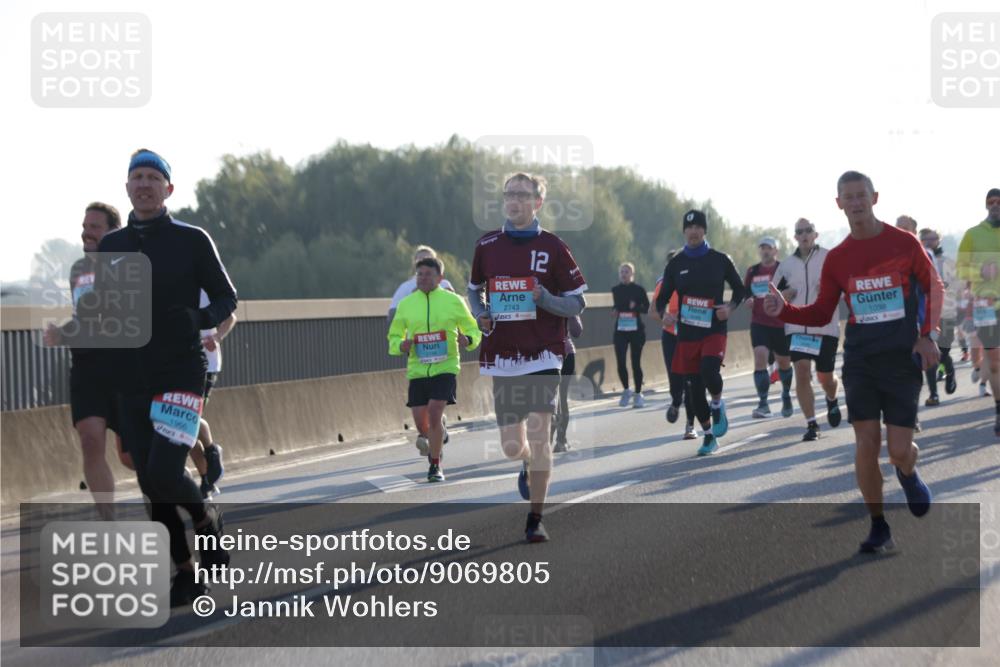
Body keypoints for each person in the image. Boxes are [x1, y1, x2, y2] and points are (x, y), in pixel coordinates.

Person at [70, 149, 238, 605]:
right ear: (127, 188)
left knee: (165, 470)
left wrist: (197, 317)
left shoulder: (192, 239)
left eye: (152, 177)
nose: (143, 184)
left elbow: (227, 299)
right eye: (136, 177)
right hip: (131, 377)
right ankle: (185, 572)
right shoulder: (112, 246)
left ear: (168, 188)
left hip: (181, 372)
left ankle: (206, 520)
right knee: (148, 480)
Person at [764, 170, 941, 554]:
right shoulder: (839, 258)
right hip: (861, 359)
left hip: (901, 357)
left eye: (862, 195)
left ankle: (907, 470)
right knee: (865, 441)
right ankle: (878, 525)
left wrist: (928, 334)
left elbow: (934, 286)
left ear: (875, 198)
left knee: (897, 450)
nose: (856, 202)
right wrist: (785, 310)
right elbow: (822, 310)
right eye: (849, 196)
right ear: (838, 203)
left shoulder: (904, 243)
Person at [468, 172, 588, 542]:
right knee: (510, 446)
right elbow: (474, 292)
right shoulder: (487, 245)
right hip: (504, 355)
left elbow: (577, 302)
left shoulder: (553, 246)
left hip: (544, 355)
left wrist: (545, 299)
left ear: (538, 202)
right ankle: (523, 463)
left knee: (540, 436)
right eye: (509, 194)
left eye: (522, 194)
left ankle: (535, 519)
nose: (513, 200)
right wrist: (480, 313)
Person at [43, 202, 130, 519]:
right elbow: (85, 317)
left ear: (113, 232)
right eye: (85, 226)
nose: (86, 232)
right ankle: (109, 522)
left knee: (135, 458)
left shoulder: (128, 268)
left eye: (95, 226)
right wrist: (64, 333)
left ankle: (182, 501)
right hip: (86, 368)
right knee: (91, 441)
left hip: (124, 368)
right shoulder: (79, 270)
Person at [655, 209, 746, 456]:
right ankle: (708, 436)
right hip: (687, 333)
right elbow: (660, 299)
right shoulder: (676, 264)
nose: (693, 231)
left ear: (704, 230)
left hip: (714, 328)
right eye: (689, 227)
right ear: (684, 231)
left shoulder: (720, 259)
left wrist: (730, 307)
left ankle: (718, 404)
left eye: (698, 227)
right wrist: (664, 315)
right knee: (693, 390)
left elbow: (740, 290)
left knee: (709, 371)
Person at [389, 257, 480, 481]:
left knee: (435, 410)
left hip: (445, 367)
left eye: (428, 274)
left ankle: (435, 464)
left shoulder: (453, 301)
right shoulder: (407, 304)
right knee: (422, 422)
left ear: (440, 278)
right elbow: (394, 335)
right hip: (418, 370)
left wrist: (467, 340)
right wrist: (401, 345)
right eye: (419, 274)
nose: (423, 278)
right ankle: (435, 436)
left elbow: (473, 328)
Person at [773, 218, 842, 441]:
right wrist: (784, 296)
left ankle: (831, 399)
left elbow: (844, 288)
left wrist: (830, 291)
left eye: (808, 231)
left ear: (815, 234)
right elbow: (773, 296)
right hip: (796, 327)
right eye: (799, 232)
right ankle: (812, 424)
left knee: (825, 378)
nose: (804, 235)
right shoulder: (786, 265)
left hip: (824, 326)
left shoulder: (830, 258)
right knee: (801, 372)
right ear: (795, 237)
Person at [956, 188, 1000, 436]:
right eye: (991, 202)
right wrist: (980, 273)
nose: (995, 205)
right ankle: (998, 409)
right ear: (986, 206)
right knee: (994, 363)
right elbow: (960, 270)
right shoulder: (973, 235)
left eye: (999, 202)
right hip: (987, 306)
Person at [189, 290, 236, 499]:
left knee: (188, 418)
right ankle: (207, 478)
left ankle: (211, 450)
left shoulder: (206, 289)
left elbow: (230, 317)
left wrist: (216, 336)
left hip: (207, 364)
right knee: (182, 427)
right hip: (177, 361)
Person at [744, 237, 794, 418]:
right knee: (760, 357)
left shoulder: (783, 270)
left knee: (784, 362)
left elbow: (793, 291)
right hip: (759, 322)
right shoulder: (753, 271)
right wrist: (748, 299)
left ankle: (786, 394)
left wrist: (783, 296)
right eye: (762, 248)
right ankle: (763, 403)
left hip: (781, 323)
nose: (765, 251)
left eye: (769, 248)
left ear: (775, 251)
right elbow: (746, 292)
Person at [651, 251, 696, 439]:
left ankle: (690, 425)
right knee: (675, 377)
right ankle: (676, 401)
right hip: (670, 336)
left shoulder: (695, 282)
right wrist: (664, 317)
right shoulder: (662, 285)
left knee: (691, 381)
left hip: (692, 335)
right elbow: (653, 311)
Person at [919, 227, 958, 404]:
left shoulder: (947, 262)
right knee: (929, 353)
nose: (928, 242)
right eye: (925, 239)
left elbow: (957, 285)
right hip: (926, 315)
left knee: (943, 352)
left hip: (946, 313)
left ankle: (950, 372)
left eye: (932, 239)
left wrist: (944, 285)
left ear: (939, 240)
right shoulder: (917, 259)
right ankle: (933, 393)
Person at [612, 262, 650, 408]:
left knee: (635, 363)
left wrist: (637, 307)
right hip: (621, 330)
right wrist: (615, 310)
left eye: (627, 271)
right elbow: (618, 306)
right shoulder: (615, 290)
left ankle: (638, 393)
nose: (624, 274)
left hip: (636, 331)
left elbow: (647, 308)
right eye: (622, 272)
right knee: (620, 362)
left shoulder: (639, 290)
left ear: (632, 274)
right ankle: (627, 390)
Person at [387, 245, 455, 323]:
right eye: (420, 260)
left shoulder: (444, 284)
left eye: (428, 259)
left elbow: (455, 309)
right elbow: (393, 314)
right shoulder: (405, 287)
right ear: (415, 263)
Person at [552, 315, 583, 453]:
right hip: (549, 354)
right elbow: (577, 331)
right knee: (556, 400)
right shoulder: (565, 298)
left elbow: (577, 331)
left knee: (557, 399)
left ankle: (559, 440)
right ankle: (559, 440)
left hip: (562, 354)